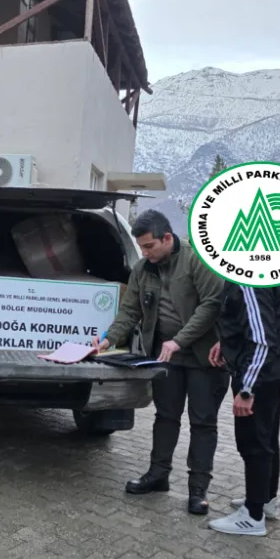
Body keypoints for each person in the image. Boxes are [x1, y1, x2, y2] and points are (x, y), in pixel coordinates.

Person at [94, 210, 228, 515]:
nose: (145, 253)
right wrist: (108, 339)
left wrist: (180, 340)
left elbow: (212, 305)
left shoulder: (197, 260)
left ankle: (198, 490)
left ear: (167, 238)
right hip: (166, 357)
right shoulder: (143, 270)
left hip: (205, 357)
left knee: (203, 422)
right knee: (166, 417)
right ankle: (158, 475)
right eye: (141, 247)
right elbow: (130, 311)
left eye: (149, 246)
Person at [206, 282, 280, 535]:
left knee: (254, 443)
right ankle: (266, 500)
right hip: (278, 367)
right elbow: (258, 321)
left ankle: (252, 516)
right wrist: (227, 343)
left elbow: (261, 340)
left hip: (261, 374)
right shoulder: (265, 271)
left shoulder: (249, 280)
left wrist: (247, 389)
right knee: (267, 438)